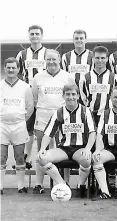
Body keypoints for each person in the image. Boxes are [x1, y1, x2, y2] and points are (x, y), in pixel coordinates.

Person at [36, 84, 95, 198]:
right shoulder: (58, 112)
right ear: (63, 96)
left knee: (87, 159)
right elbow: (48, 133)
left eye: (73, 94)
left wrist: (88, 149)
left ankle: (80, 186)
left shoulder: (85, 111)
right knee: (42, 158)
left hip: (80, 148)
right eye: (67, 94)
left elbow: (93, 132)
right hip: (63, 149)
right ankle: (62, 185)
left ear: (78, 96)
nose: (70, 97)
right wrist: (42, 149)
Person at [31, 49, 76, 194]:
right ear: (45, 60)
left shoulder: (67, 77)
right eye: (48, 59)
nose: (51, 62)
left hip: (63, 118)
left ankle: (65, 182)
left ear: (59, 60)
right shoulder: (38, 77)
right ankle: (39, 184)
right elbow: (35, 98)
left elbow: (73, 96)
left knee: (64, 150)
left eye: (53, 59)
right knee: (41, 151)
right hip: (43, 118)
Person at [0, 58, 34, 194]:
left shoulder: (25, 87)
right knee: (1, 157)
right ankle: (0, 186)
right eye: (8, 67)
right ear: (4, 68)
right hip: (2, 125)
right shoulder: (0, 85)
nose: (11, 70)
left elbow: (30, 107)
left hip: (19, 125)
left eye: (13, 67)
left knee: (19, 156)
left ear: (18, 69)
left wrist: (20, 119)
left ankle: (21, 186)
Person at [16, 25, 48, 169]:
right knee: (27, 127)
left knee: (45, 128)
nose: (35, 36)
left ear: (42, 36)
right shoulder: (22, 54)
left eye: (37, 34)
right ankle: (27, 157)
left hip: (43, 96)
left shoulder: (47, 53)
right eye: (32, 34)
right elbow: (18, 74)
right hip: (27, 95)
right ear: (29, 36)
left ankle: (46, 156)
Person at [80, 46, 117, 124]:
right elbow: (83, 99)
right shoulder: (85, 78)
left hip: (109, 116)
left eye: (102, 58)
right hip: (91, 117)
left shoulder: (115, 78)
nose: (100, 60)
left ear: (107, 59)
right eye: (97, 58)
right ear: (93, 59)